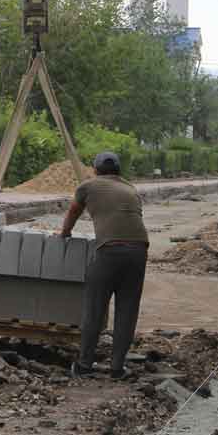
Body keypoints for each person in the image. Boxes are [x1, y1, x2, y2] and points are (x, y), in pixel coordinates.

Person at [58, 150, 149, 380]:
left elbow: (73, 212)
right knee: (127, 310)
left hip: (110, 251)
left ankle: (85, 365)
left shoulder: (88, 186)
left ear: (96, 170)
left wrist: (65, 233)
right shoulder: (131, 189)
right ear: (118, 171)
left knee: (95, 309)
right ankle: (117, 368)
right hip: (139, 251)